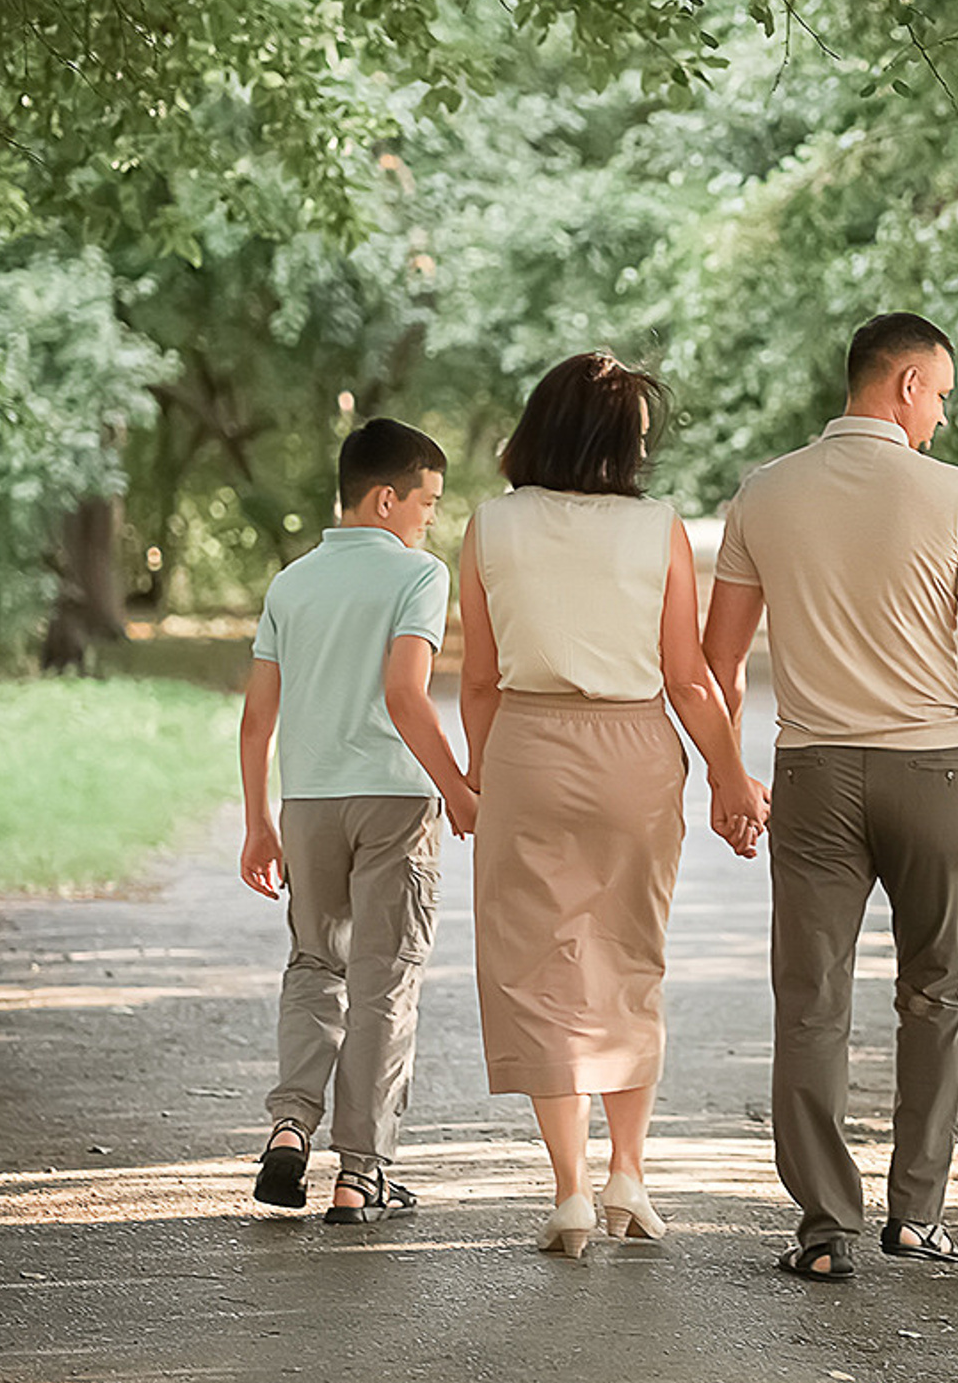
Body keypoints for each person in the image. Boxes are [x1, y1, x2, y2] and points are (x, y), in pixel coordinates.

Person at [702, 311, 958, 1282]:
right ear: (903, 386)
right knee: (935, 992)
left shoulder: (764, 493)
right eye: (940, 393)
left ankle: (823, 1228)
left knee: (810, 1001)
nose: (942, 413)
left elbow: (716, 662)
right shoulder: (955, 495)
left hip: (813, 776)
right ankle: (916, 1214)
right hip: (930, 773)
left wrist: (730, 773)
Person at [459, 353, 769, 1259]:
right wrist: (729, 777)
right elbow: (689, 679)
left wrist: (488, 776)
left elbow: (477, 680)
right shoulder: (658, 529)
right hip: (635, 748)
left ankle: (567, 1191)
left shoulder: (489, 527)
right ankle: (628, 1170)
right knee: (631, 952)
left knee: (539, 963)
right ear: (618, 440)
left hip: (528, 742)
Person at [239, 417, 478, 1225]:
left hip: (307, 801)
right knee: (384, 980)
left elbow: (255, 721)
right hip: (394, 800)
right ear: (386, 498)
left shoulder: (290, 583)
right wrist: (460, 787)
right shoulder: (418, 575)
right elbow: (407, 697)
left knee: (314, 966)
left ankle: (288, 1130)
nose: (430, 518)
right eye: (428, 501)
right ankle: (362, 1173)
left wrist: (256, 822)